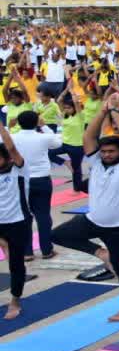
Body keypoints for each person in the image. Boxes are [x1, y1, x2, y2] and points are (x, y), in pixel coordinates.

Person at [51, 90, 119, 322]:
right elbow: (88, 138)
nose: (106, 154)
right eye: (104, 152)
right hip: (94, 220)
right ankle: (101, 253)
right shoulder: (96, 162)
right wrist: (102, 110)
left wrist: (114, 110)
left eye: (111, 151)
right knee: (58, 235)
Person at [11, 109, 60, 261]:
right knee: (43, 215)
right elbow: (57, 142)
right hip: (42, 179)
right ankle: (47, 250)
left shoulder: (13, 137)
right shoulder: (43, 137)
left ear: (19, 122)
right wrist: (44, 126)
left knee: (24, 217)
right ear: (36, 122)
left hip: (21, 180)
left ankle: (27, 252)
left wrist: (10, 127)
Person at [0, 124, 29, 319]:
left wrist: (1, 128)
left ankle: (15, 300)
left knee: (16, 264)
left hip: (17, 222)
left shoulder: (18, 170)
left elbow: (11, 148)